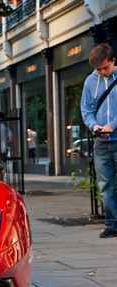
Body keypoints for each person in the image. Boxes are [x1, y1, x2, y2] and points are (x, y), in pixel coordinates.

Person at [81, 42, 117, 238]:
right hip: (101, 143)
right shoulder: (90, 81)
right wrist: (95, 126)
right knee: (105, 186)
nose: (102, 72)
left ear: (113, 60)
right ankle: (112, 225)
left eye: (105, 67)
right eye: (98, 69)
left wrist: (113, 124)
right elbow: (86, 110)